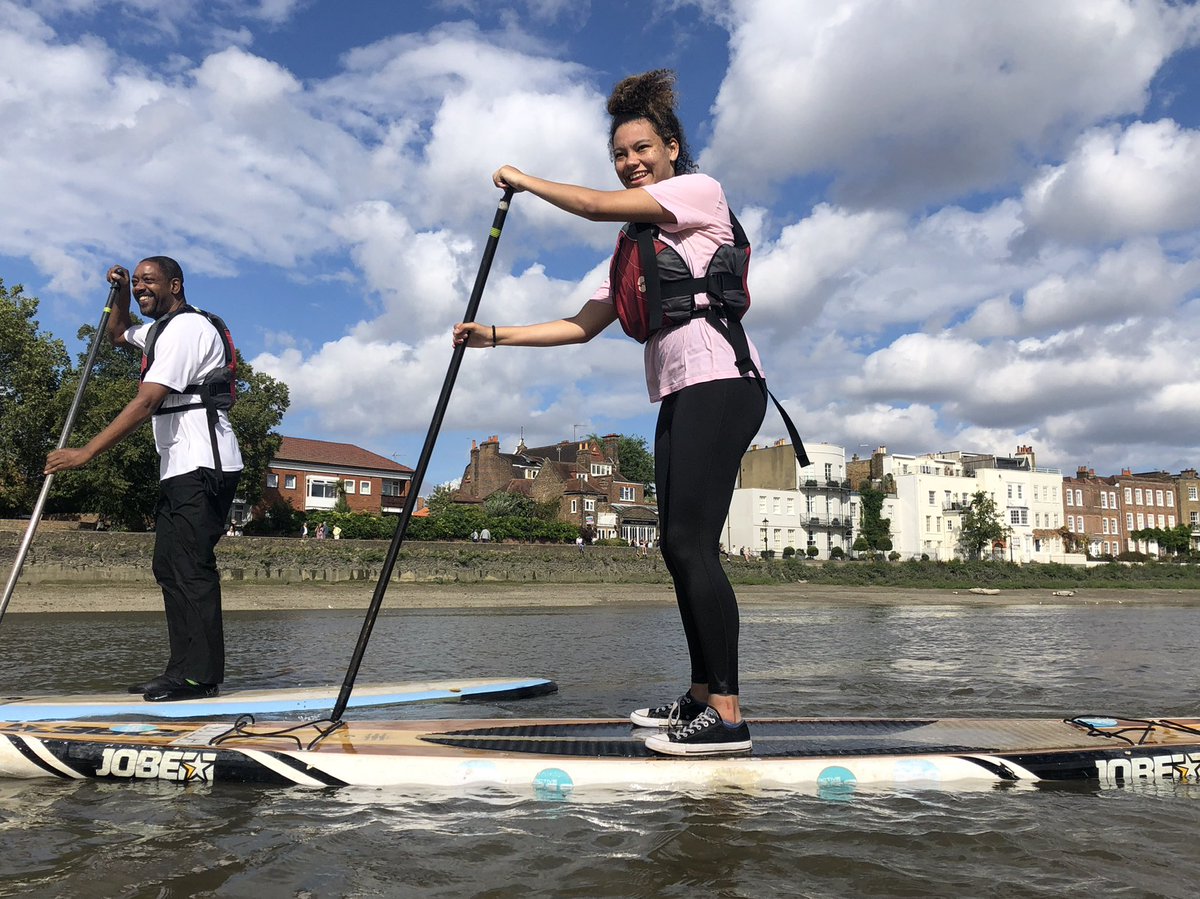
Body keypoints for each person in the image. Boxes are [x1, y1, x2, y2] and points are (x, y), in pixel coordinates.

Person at [454, 70, 779, 756]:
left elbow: (597, 205)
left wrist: (526, 180)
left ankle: (726, 711)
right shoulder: (634, 243)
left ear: (670, 147)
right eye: (620, 156)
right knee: (674, 543)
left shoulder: (698, 192)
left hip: (723, 380)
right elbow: (581, 324)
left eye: (640, 150)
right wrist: (493, 335)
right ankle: (699, 694)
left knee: (692, 543)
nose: (631, 163)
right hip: (679, 388)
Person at [45, 257, 243, 702]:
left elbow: (147, 400)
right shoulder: (158, 331)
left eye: (148, 281)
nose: (140, 288)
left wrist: (86, 452)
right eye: (136, 283)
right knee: (169, 566)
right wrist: (116, 294)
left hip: (203, 463)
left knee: (191, 568)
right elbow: (117, 334)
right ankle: (182, 671)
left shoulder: (186, 330)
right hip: (178, 465)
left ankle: (201, 676)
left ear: (175, 284)